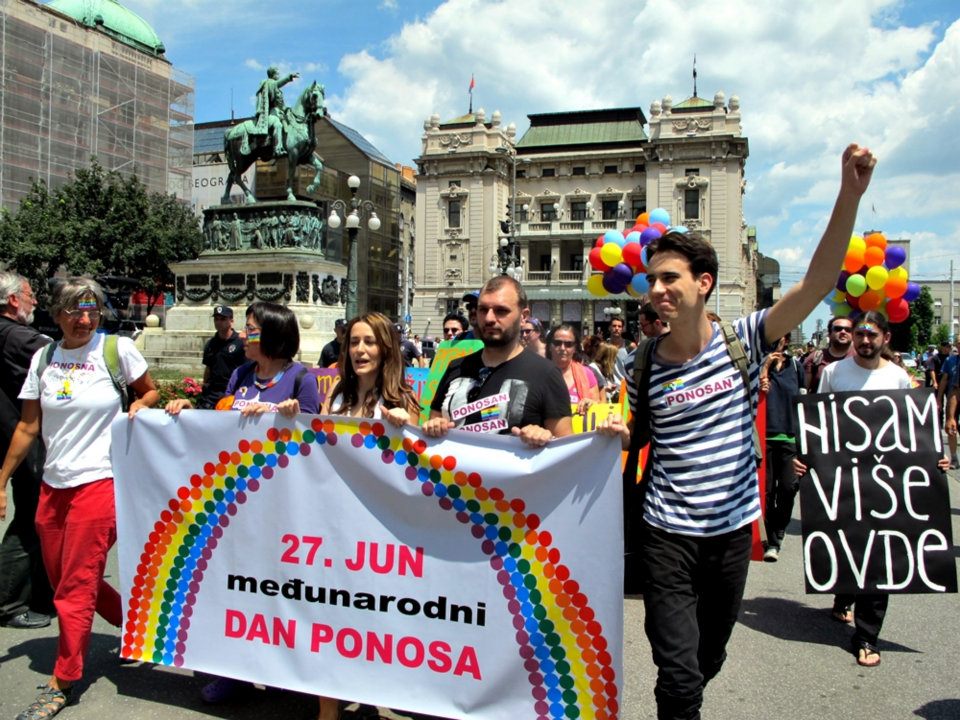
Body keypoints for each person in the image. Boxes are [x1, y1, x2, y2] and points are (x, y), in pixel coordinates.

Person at [599, 143, 877, 720]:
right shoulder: (643, 362)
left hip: (728, 536)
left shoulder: (745, 339)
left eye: (670, 278)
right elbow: (632, 434)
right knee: (677, 676)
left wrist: (849, 194)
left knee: (707, 660)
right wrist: (605, 429)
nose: (657, 290)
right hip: (665, 536)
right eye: (652, 280)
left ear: (704, 283)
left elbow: (821, 280)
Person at [0, 277, 158, 720]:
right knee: (63, 578)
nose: (85, 319)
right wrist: (1, 479)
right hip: (53, 486)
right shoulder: (44, 357)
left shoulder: (116, 350)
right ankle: (139, 627)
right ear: (57, 315)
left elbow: (149, 389)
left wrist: (142, 404)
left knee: (74, 586)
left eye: (92, 310)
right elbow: (29, 426)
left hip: (100, 483)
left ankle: (63, 680)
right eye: (75, 310)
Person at [167, 301, 319, 703]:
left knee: (275, 595)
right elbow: (219, 424)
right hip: (234, 503)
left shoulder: (301, 379)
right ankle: (230, 672)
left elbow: (317, 445)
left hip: (280, 508)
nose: (244, 336)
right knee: (232, 592)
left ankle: (284, 673)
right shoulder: (240, 374)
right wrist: (186, 411)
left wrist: (291, 417)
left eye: (251, 329)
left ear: (271, 334)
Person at [797, 311, 949, 667]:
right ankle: (842, 596)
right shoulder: (834, 373)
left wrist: (935, 460)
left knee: (879, 555)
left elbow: (915, 430)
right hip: (844, 482)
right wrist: (804, 459)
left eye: (871, 335)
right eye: (860, 335)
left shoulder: (898, 378)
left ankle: (867, 636)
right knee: (848, 545)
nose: (865, 341)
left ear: (885, 338)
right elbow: (819, 423)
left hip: (886, 484)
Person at [319, 311, 419, 720]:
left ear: (386, 349)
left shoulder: (401, 400)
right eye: (354, 342)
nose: (360, 350)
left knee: (370, 624)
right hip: (333, 528)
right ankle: (327, 709)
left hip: (381, 536)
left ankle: (373, 694)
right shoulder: (337, 397)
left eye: (370, 342)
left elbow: (424, 465)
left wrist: (406, 428)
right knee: (326, 617)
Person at [425, 276, 572, 446]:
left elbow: (566, 449)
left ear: (524, 316)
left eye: (501, 311)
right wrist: (435, 426)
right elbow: (433, 421)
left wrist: (545, 437)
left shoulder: (546, 374)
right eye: (482, 309)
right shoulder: (456, 367)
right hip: (455, 471)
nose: (489, 318)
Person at [0, 271, 54, 630]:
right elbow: (60, 356)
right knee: (30, 518)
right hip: (22, 436)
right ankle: (8, 602)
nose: (35, 301)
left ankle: (37, 594)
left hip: (11, 434)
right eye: (30, 295)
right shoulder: (18, 336)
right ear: (13, 300)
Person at [758, 333, 805, 562]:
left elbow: (806, 402)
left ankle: (779, 528)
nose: (776, 343)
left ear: (785, 340)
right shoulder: (757, 365)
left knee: (788, 488)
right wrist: (765, 367)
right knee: (765, 492)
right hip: (764, 437)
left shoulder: (796, 367)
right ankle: (770, 540)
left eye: (780, 338)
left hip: (789, 438)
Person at [196, 305, 245, 409]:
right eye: (216, 319)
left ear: (231, 321)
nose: (219, 322)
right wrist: (204, 385)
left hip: (231, 392)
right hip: (211, 394)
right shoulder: (211, 344)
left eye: (223, 319)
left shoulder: (240, 343)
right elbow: (208, 368)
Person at [549, 324, 601, 415]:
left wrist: (591, 404)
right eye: (557, 343)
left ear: (575, 348)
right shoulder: (539, 372)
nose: (562, 348)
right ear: (550, 346)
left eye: (568, 344)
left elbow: (598, 408)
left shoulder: (587, 374)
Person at [252, 66, 299, 156]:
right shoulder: (269, 83)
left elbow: (281, 105)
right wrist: (289, 77)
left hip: (279, 112)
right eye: (277, 73)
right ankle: (277, 149)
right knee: (278, 125)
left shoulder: (277, 89)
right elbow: (279, 83)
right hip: (270, 114)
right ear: (272, 74)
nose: (278, 75)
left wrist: (288, 110)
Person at [804, 316, 854, 391]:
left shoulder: (861, 358)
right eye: (838, 329)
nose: (843, 332)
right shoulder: (815, 358)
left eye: (848, 330)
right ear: (829, 334)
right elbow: (803, 391)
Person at [935, 337, 960, 468]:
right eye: (959, 344)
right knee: (951, 427)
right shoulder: (950, 360)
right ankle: (954, 458)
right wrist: (939, 398)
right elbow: (944, 380)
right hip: (953, 398)